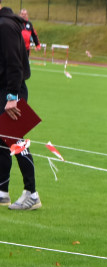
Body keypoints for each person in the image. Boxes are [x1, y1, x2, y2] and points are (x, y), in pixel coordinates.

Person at [0, 0, 40, 210]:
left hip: (10, 92)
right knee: (2, 139)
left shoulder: (5, 26)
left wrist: (12, 96)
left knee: (16, 140)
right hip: (5, 90)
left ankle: (32, 193)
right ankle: (2, 191)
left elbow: (14, 62)